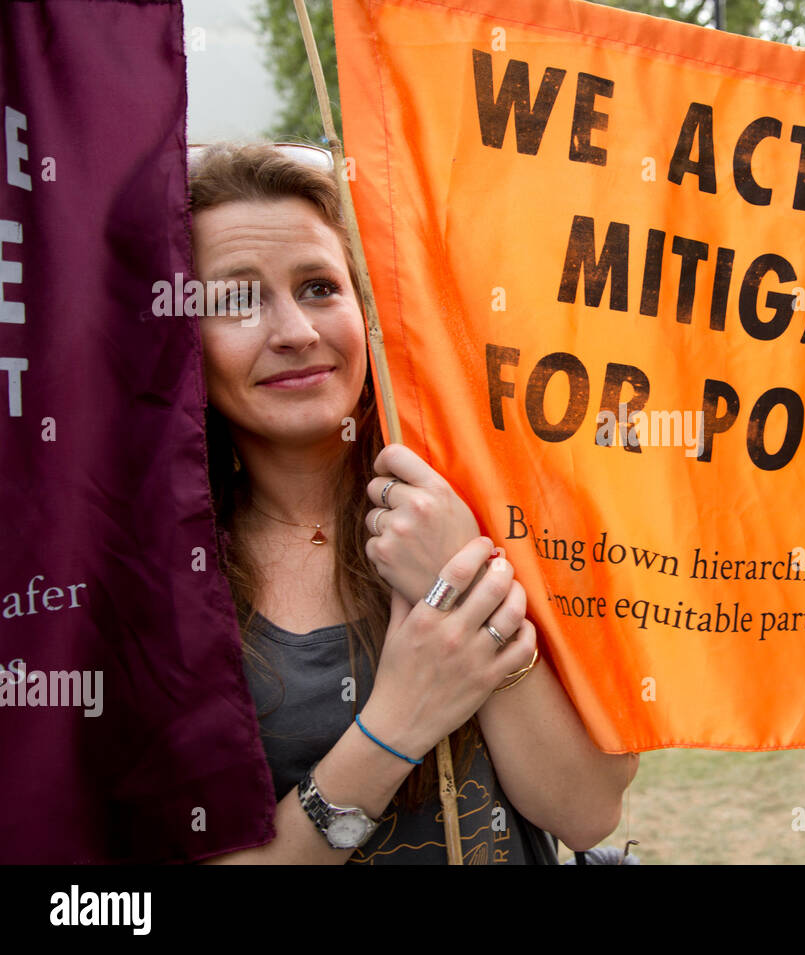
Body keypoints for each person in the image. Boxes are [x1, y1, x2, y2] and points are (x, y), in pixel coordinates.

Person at [187, 142, 637, 864]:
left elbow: (585, 810)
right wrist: (399, 715)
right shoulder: (163, 570)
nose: (296, 332)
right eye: (237, 299)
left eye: (319, 287)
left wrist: (465, 576)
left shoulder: (495, 493)